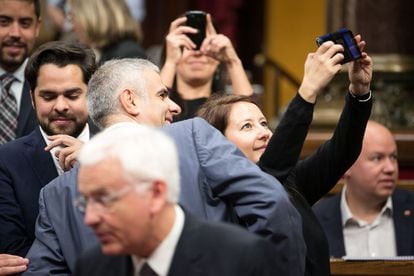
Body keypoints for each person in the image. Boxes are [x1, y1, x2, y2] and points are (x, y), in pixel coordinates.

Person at [24, 58, 305, 276]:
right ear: (129, 100)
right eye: (161, 95)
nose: (174, 107)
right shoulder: (193, 136)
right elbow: (273, 203)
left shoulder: (55, 193)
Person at [197, 36, 373, 275]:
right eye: (247, 126)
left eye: (263, 123)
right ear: (219, 141)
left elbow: (341, 152)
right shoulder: (223, 198)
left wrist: (359, 93)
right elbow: (270, 173)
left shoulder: (290, 182)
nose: (263, 133)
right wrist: (308, 89)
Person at [73, 124, 282, 276]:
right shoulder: (92, 267)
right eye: (86, 201)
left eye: (105, 199)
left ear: (155, 194)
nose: (90, 218)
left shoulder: (240, 258)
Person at [0, 40, 97, 257]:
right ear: (32, 100)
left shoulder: (118, 148)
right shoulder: (7, 161)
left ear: (91, 95)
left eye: (72, 95)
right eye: (48, 96)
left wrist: (95, 161)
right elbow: (14, 253)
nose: (60, 106)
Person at [313, 120, 414, 258]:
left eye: (393, 157)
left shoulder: (411, 209)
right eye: (377, 158)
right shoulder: (314, 220)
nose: (390, 168)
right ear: (347, 164)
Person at [160, 13, 253, 121]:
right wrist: (170, 62)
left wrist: (232, 61)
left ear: (218, 60)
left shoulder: (226, 108)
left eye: (205, 42)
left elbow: (252, 123)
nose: (197, 52)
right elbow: (148, 118)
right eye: (188, 43)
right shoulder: (166, 107)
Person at [0, 0, 41, 144]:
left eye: (25, 23)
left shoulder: (50, 82)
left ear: (37, 27)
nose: (15, 33)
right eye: (4, 22)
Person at [68, 0, 147, 65]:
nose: (72, 27)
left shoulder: (128, 56)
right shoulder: (100, 52)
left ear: (93, 17)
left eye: (72, 17)